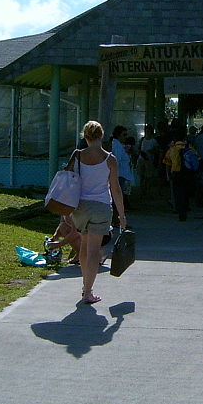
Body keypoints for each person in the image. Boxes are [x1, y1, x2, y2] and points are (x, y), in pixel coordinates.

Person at [71, 121, 126, 304]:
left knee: (84, 247)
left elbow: (68, 180)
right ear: (101, 136)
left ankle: (85, 286)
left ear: (85, 136)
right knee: (94, 250)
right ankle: (88, 291)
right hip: (101, 206)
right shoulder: (110, 159)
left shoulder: (77, 155)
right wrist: (122, 215)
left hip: (80, 206)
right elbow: (115, 189)